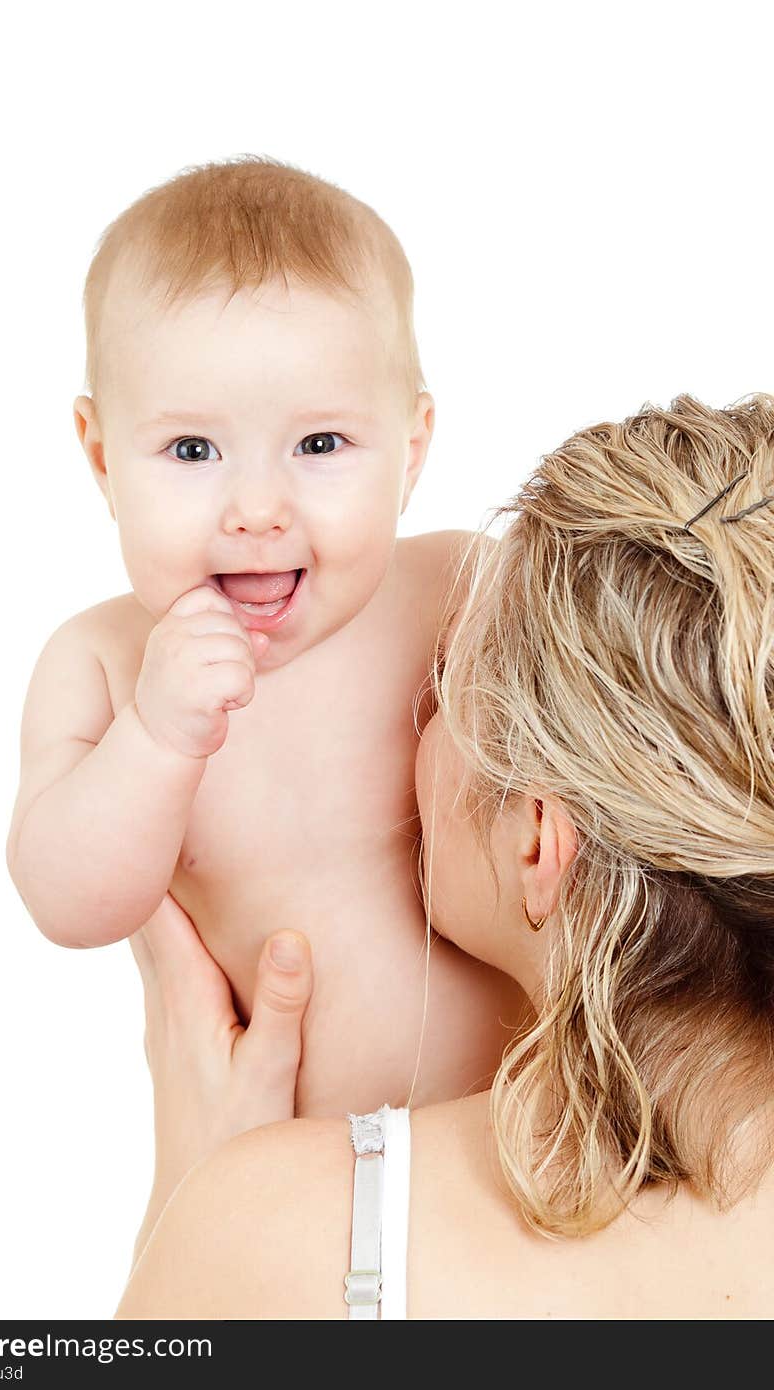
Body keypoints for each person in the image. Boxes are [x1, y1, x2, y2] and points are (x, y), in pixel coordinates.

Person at [116, 393, 774, 1319]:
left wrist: (194, 1183)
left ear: (542, 844)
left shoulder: (290, 1237)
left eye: (440, 692)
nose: (410, 731)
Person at [4, 154, 524, 1208]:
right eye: (192, 448)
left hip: (527, 1138)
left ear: (412, 448)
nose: (255, 507)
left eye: (320, 443)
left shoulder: (457, 592)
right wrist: (154, 738)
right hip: (294, 1188)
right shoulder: (103, 666)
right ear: (100, 457)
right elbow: (68, 901)